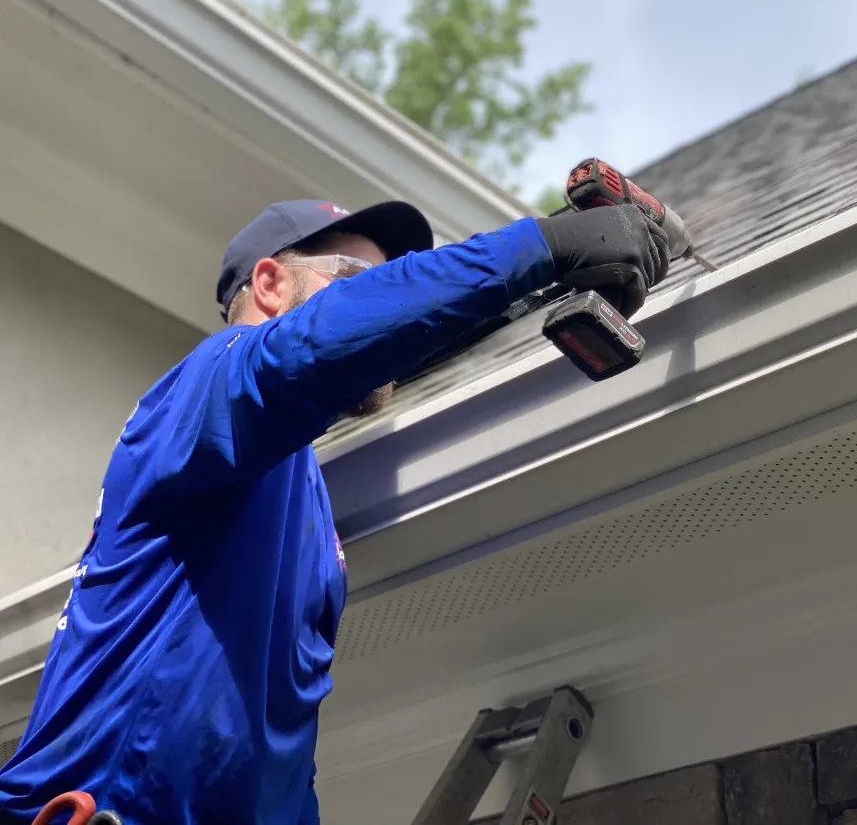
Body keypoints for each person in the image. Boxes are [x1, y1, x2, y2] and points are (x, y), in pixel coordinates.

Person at [0, 197, 670, 825]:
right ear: (268, 286)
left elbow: (281, 743)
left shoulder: (295, 500)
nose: (369, 295)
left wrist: (520, 285)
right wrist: (541, 247)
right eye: (350, 277)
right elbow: (319, 343)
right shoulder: (204, 387)